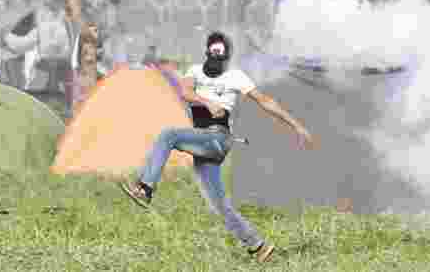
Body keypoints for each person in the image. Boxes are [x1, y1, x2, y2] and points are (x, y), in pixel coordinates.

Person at [120, 31, 317, 264]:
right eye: (212, 53)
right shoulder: (194, 71)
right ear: (207, 52)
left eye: (220, 55)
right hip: (202, 142)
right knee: (219, 205)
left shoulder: (236, 76)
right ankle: (258, 245)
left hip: (218, 139)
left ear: (226, 57)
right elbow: (185, 92)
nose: (215, 59)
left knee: (168, 135)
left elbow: (266, 102)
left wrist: (296, 126)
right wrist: (208, 102)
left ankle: (145, 188)